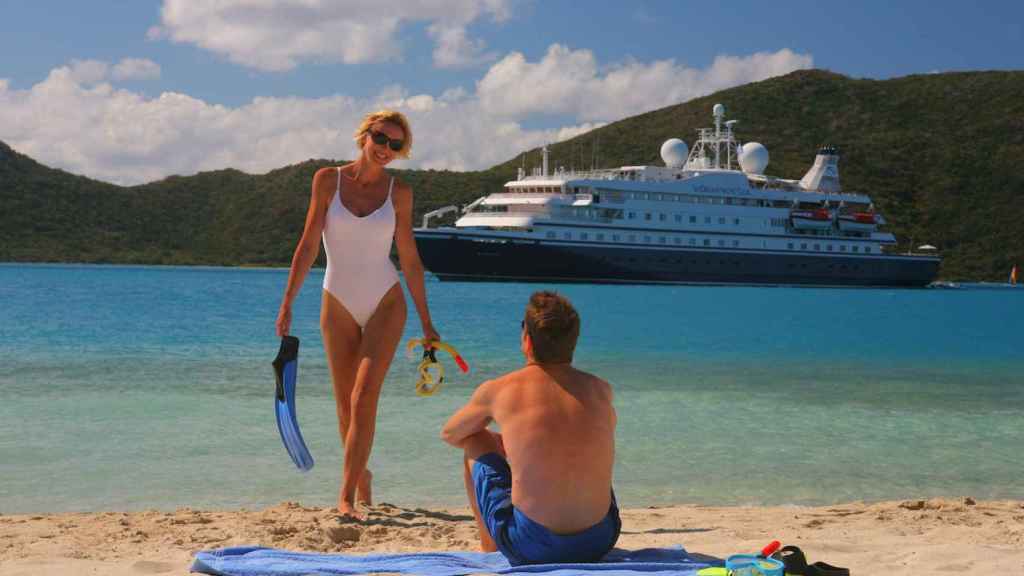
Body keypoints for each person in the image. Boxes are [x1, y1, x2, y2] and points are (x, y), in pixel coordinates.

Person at [276, 109, 439, 519]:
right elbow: (309, 243)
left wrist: (426, 320)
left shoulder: (399, 192)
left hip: (386, 299)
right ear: (364, 136)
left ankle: (345, 496)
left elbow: (409, 258)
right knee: (345, 405)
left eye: (396, 145)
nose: (386, 149)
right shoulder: (327, 180)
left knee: (364, 396)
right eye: (381, 139)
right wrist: (288, 301)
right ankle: (361, 475)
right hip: (338, 301)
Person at [440, 291, 619, 565]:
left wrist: (499, 441)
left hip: (531, 545)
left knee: (475, 439)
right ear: (573, 342)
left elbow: (451, 434)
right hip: (600, 540)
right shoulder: (601, 390)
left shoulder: (500, 390)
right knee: (585, 451)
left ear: (527, 340)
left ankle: (489, 547)